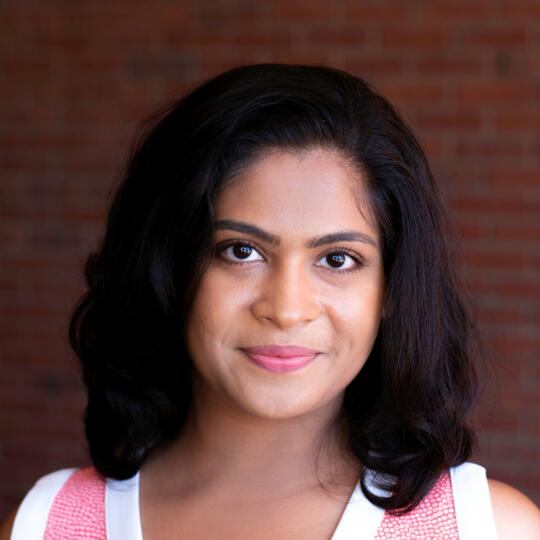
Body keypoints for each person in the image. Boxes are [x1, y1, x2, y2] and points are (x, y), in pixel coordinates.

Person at [1, 63, 539, 539]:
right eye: (241, 251)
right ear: (167, 269)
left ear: (391, 291)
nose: (286, 309)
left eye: (337, 259)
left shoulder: (486, 529)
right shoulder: (45, 526)